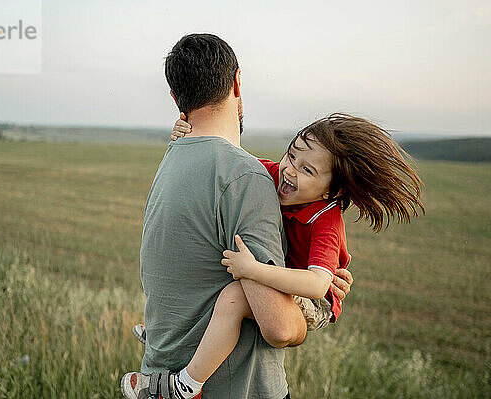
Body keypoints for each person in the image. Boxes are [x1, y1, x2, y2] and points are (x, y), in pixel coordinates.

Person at [121, 33, 353, 399]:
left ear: (176, 99)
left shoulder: (170, 161)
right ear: (237, 82)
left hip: (160, 373)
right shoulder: (245, 177)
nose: (291, 171)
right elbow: (278, 327)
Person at [135, 112, 424, 394]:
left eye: (307, 170)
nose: (290, 169)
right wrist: (188, 138)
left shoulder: (326, 220)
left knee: (233, 298)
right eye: (292, 156)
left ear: (330, 191)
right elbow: (226, 163)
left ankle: (187, 384)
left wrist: (253, 270)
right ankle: (171, 332)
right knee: (220, 282)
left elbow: (318, 284)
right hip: (283, 276)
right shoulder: (273, 173)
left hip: (312, 298)